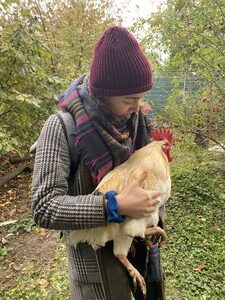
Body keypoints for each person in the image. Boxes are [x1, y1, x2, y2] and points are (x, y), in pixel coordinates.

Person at [31, 26, 165, 300]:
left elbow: (148, 180)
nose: (138, 106)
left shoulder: (139, 122)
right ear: (103, 93)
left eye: (141, 97)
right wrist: (114, 206)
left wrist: (149, 220)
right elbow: (43, 206)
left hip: (141, 254)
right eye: (129, 99)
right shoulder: (62, 127)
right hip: (97, 272)